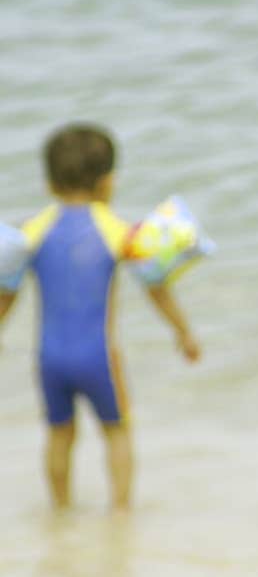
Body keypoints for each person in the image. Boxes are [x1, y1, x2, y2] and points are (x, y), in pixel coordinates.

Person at [0, 123, 202, 512]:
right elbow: (155, 287)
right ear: (108, 182)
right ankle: (120, 512)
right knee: (117, 431)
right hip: (99, 359)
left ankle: (60, 511)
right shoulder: (118, 231)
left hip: (49, 359)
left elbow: (6, 294)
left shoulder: (31, 232)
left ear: (48, 183)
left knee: (59, 433)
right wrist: (183, 332)